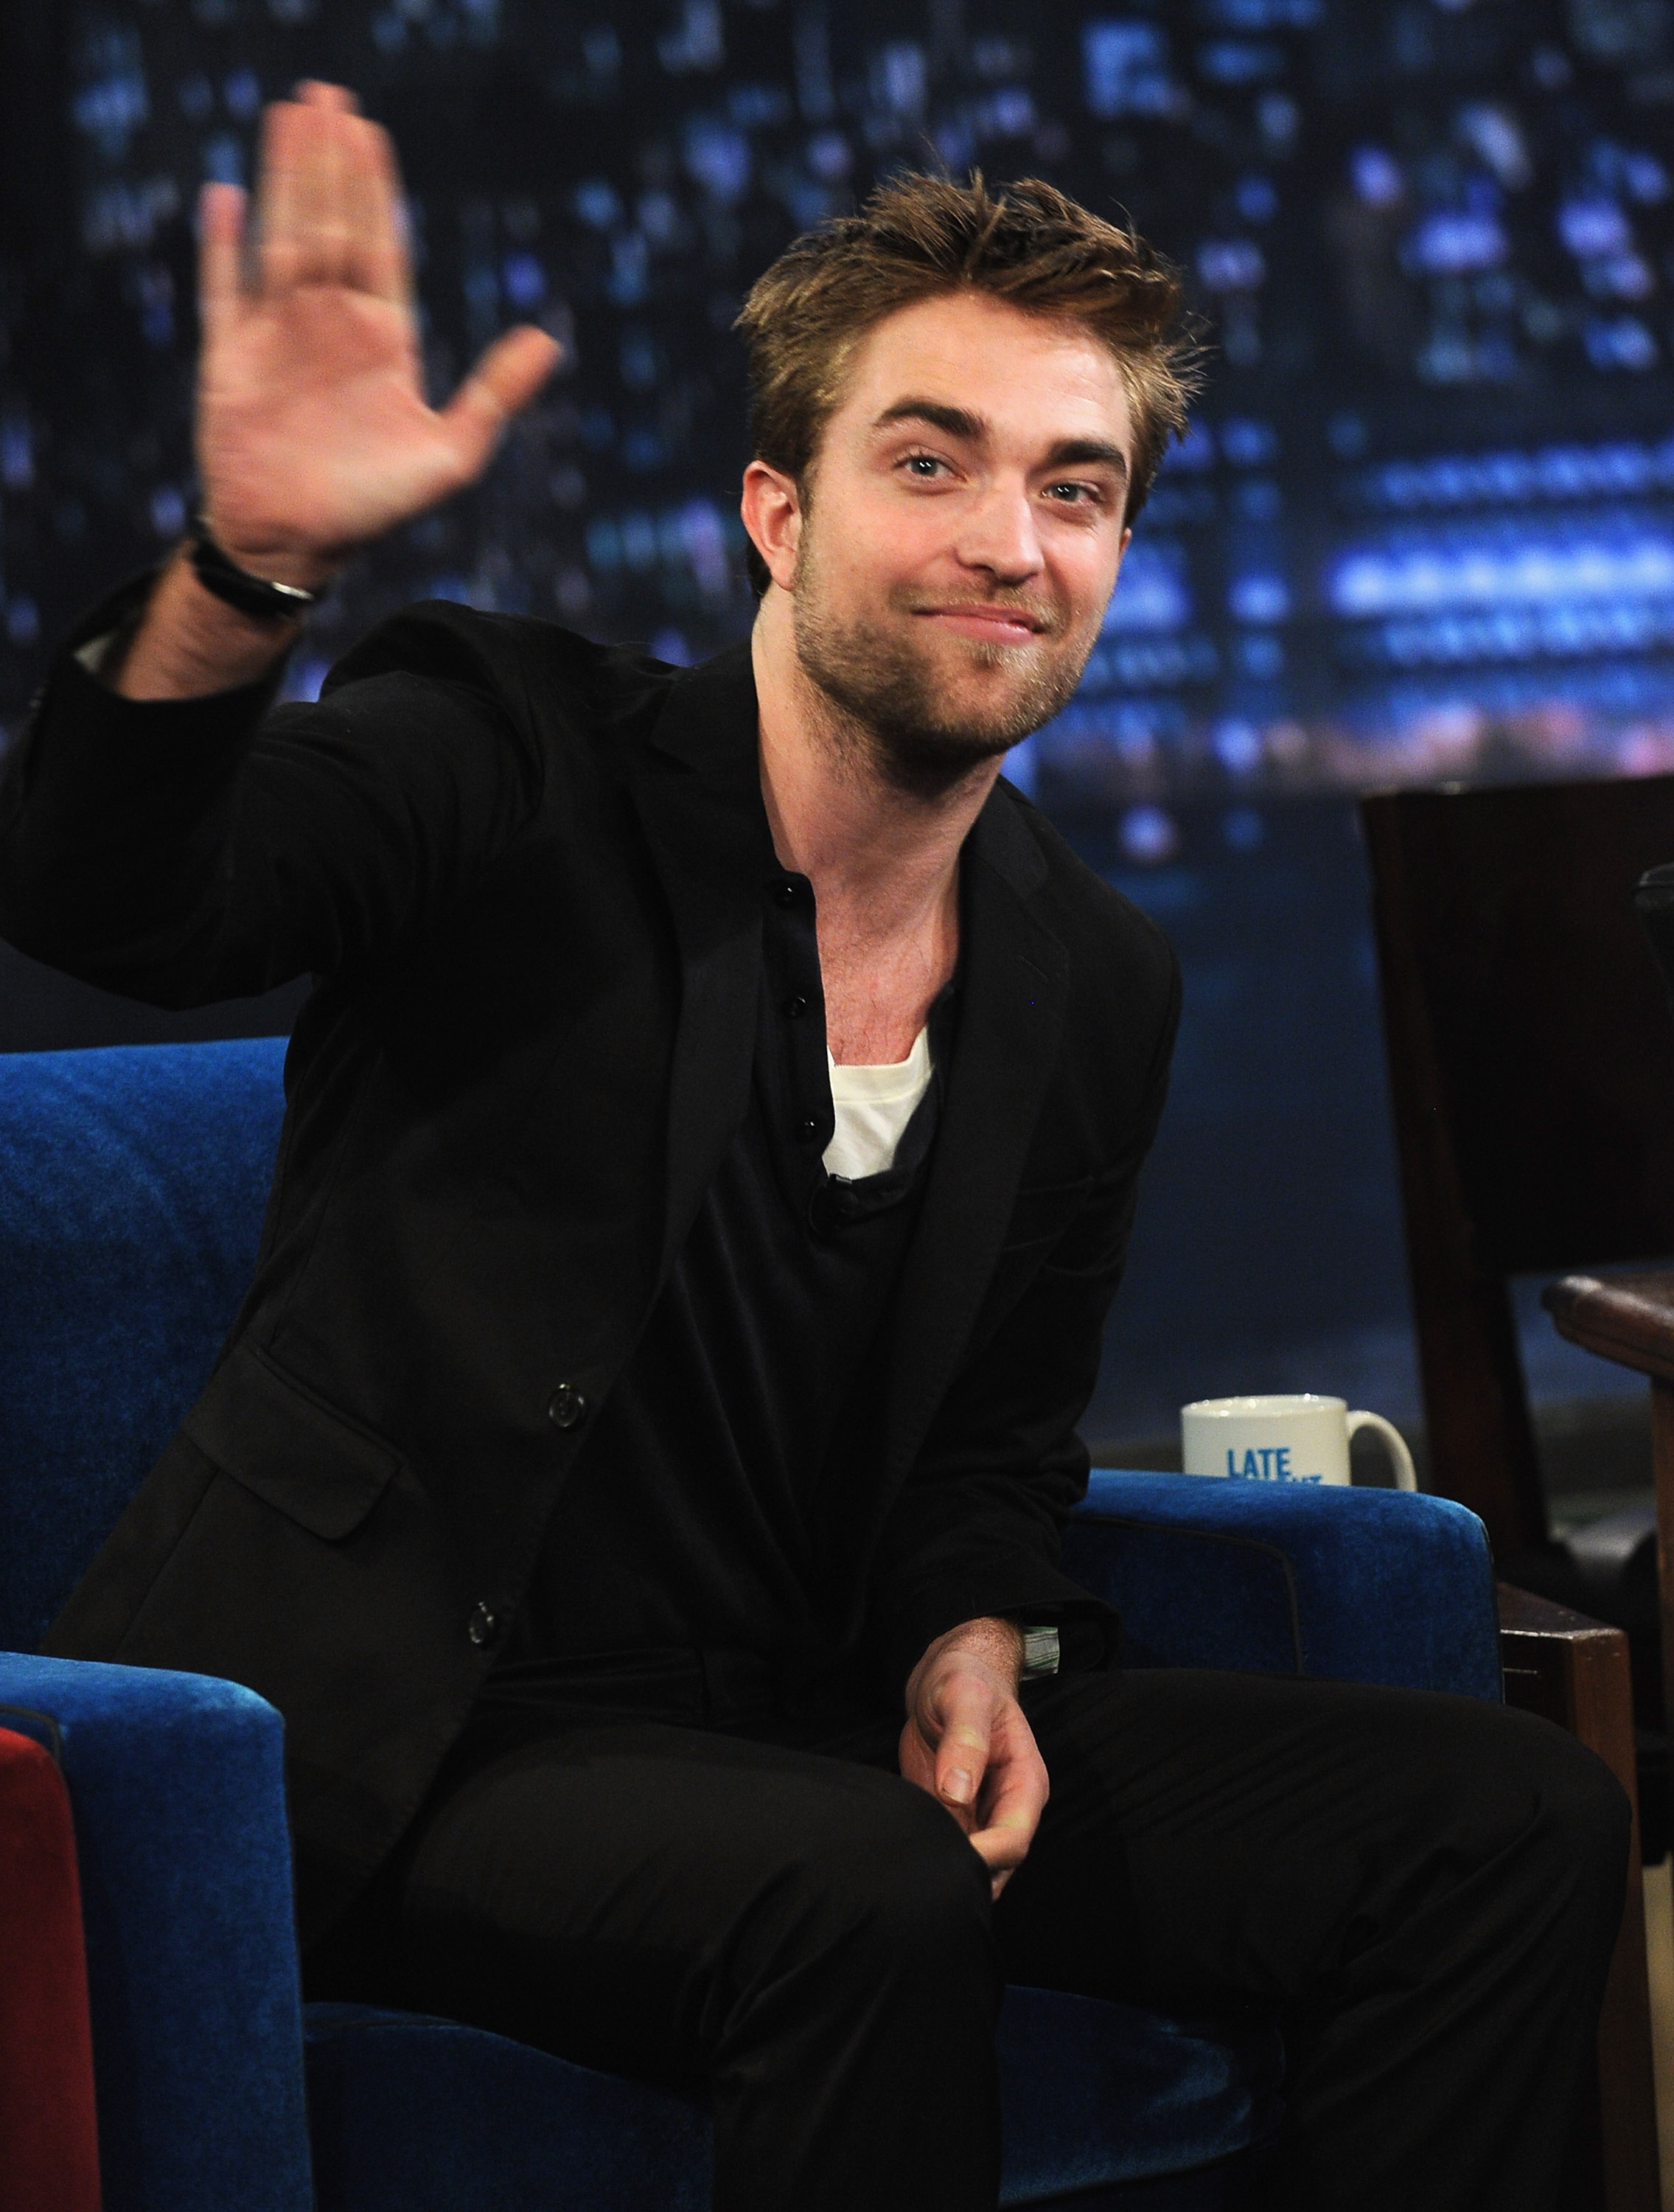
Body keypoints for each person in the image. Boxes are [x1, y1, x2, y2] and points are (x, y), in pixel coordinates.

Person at [0, 80, 1631, 2212]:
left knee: (1505, 1822)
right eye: (930, 461)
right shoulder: (509, 758)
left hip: (807, 1726)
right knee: (862, 1883)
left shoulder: (1091, 972)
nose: (1007, 543)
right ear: (777, 512)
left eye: (1074, 488)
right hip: (409, 1732)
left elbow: (993, 1445)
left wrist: (972, 1633)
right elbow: (110, 897)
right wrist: (250, 565)